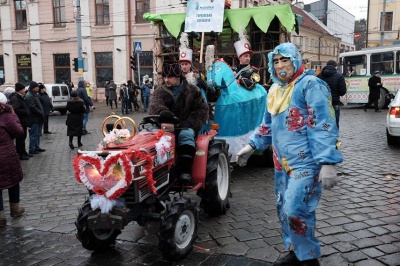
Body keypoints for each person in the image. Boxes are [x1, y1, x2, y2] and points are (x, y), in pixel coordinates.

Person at [236, 43, 343, 266]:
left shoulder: (311, 85)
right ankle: (296, 251)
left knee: (296, 209)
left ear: (295, 60)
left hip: (306, 162)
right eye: (276, 61)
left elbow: (323, 124)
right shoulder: (274, 90)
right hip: (281, 163)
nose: (280, 66)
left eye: (284, 60)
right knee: (284, 208)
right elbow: (266, 125)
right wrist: (251, 146)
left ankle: (309, 258)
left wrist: (328, 161)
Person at [148, 62, 208, 183]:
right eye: (165, 77)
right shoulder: (160, 91)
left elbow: (201, 109)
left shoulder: (192, 90)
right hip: (164, 126)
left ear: (178, 77)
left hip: (185, 124)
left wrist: (190, 123)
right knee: (149, 136)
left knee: (186, 135)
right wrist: (163, 113)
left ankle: (185, 171)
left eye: (169, 77)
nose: (166, 80)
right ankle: (154, 171)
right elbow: (154, 105)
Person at [0, 92, 25, 228]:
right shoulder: (6, 116)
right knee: (13, 180)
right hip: (7, 154)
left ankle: (0, 217)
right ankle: (14, 209)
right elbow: (19, 132)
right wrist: (14, 115)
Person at [317, 60, 347, 127]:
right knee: (334, 123)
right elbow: (342, 92)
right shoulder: (339, 76)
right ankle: (333, 136)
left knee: (322, 123)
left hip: (321, 103)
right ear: (335, 67)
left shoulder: (318, 76)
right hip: (334, 102)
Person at [8, 83, 31, 160]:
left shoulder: (20, 97)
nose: (25, 90)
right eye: (23, 89)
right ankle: (20, 154)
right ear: (20, 90)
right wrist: (25, 111)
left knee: (23, 137)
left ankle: (23, 152)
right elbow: (16, 110)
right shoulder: (15, 98)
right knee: (20, 139)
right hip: (19, 121)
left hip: (23, 121)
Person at [25, 81, 46, 155]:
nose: (38, 88)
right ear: (33, 87)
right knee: (33, 134)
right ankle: (32, 149)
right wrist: (40, 112)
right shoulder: (29, 95)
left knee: (38, 134)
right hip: (33, 118)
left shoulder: (34, 94)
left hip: (38, 117)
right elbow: (32, 107)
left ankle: (37, 147)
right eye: (37, 87)